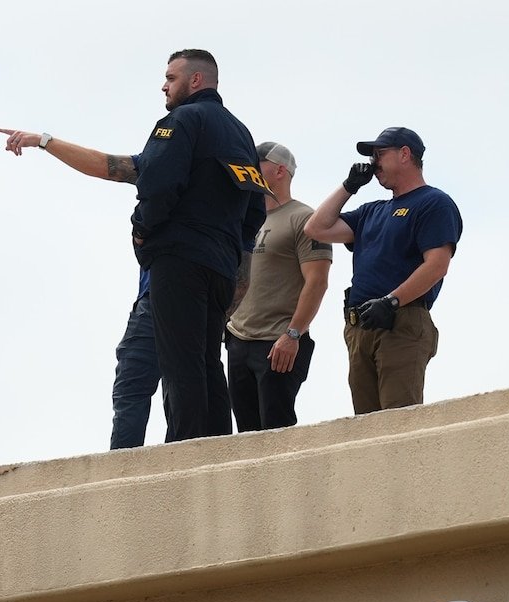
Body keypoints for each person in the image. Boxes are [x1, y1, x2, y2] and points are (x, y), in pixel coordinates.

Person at [0, 127, 162, 449]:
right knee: (183, 384)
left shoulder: (173, 164)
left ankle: (126, 475)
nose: (164, 85)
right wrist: (43, 141)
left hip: (165, 298)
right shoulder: (171, 167)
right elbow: (104, 165)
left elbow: (106, 166)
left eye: (171, 77)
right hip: (190, 297)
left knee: (146, 384)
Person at [132, 49, 267, 442]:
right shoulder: (241, 134)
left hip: (179, 259)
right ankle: (215, 450)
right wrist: (232, 250)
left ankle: (184, 453)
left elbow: (156, 183)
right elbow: (255, 209)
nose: (164, 85)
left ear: (195, 81)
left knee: (180, 363)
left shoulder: (181, 120)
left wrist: (142, 230)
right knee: (209, 362)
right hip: (221, 266)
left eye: (171, 77)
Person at [305, 127, 463, 415]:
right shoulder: (371, 211)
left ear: (405, 154)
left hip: (400, 321)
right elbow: (316, 228)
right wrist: (349, 186)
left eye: (380, 154)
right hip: (361, 326)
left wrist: (391, 301)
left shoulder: (433, 203)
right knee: (367, 426)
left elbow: (437, 265)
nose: (374, 163)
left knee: (397, 420)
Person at [223, 141, 332, 431]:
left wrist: (293, 334)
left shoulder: (304, 218)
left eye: (257, 162)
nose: (250, 167)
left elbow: (318, 281)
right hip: (239, 339)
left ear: (279, 170)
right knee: (245, 435)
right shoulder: (245, 220)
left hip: (278, 343)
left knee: (276, 433)